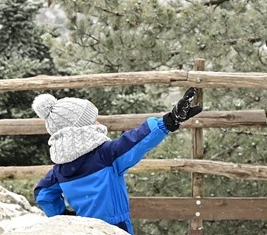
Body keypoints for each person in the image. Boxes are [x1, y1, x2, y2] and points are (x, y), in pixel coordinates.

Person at [32, 87, 204, 233]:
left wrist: (65, 217)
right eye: (93, 120)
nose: (98, 123)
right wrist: (170, 120)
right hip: (114, 228)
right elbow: (136, 140)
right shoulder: (105, 155)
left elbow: (43, 194)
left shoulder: (59, 171)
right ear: (82, 129)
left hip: (84, 230)